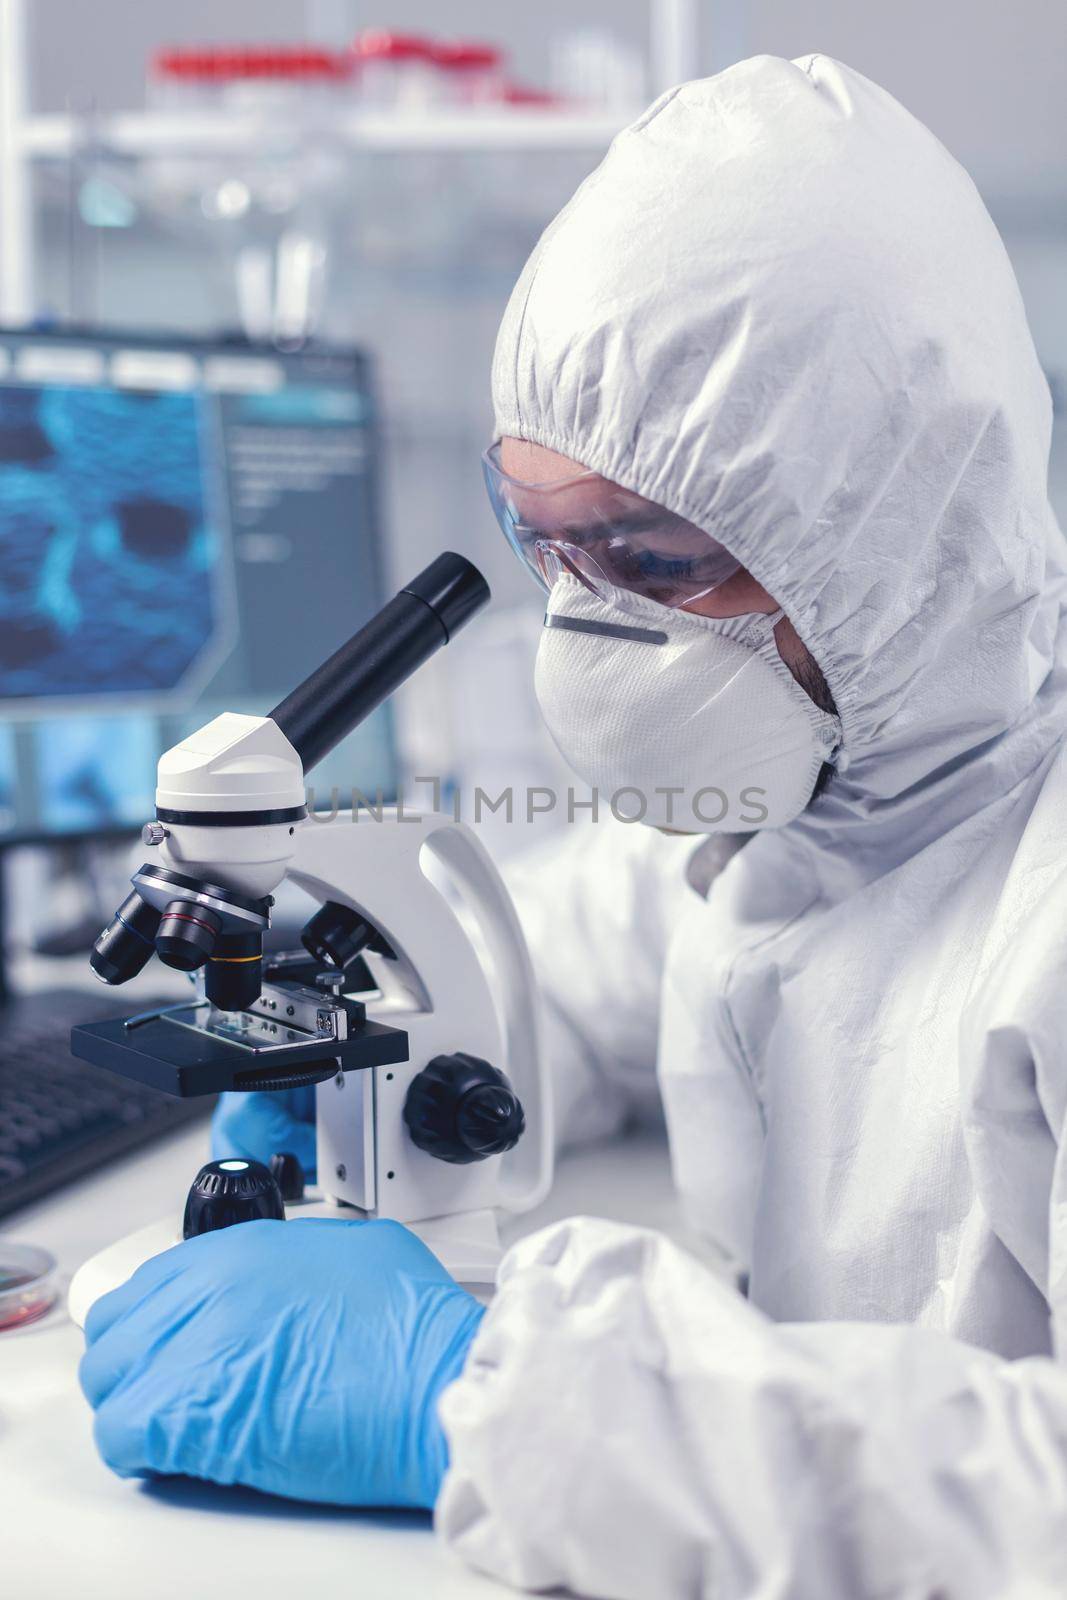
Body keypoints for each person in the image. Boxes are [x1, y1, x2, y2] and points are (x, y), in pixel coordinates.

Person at [78, 53, 1067, 1597]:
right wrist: (364, 1052)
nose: (590, 636)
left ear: (887, 527)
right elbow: (563, 973)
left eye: (655, 559)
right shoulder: (804, 814)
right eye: (548, 550)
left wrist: (485, 1402)